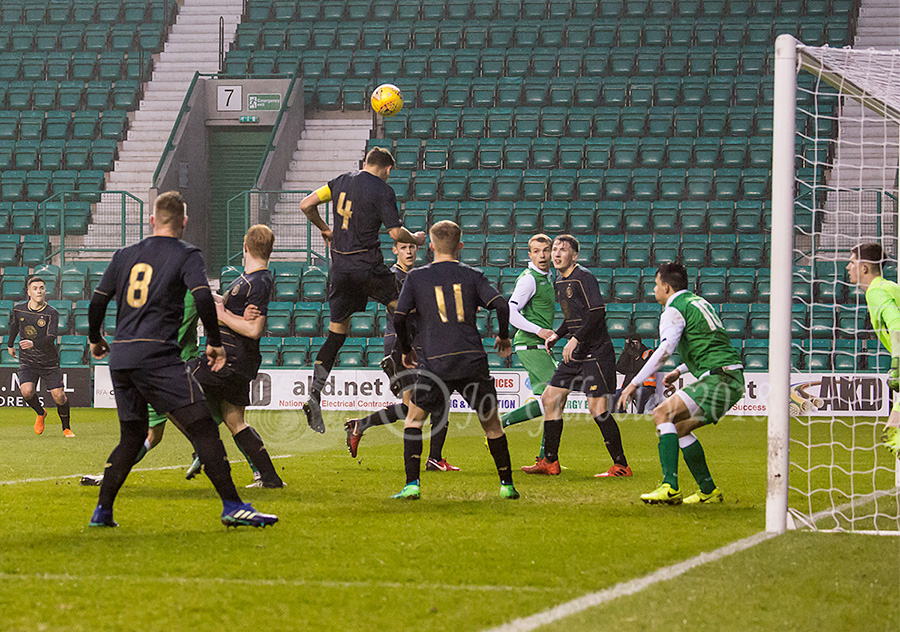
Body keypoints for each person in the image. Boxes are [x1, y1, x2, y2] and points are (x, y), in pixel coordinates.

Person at [86, 190, 277, 528]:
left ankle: (103, 513)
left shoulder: (124, 254)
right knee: (204, 427)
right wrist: (214, 342)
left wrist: (95, 338)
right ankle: (233, 506)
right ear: (184, 222)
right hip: (158, 356)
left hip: (122, 356)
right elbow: (202, 297)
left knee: (132, 437)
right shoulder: (186, 254)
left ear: (152, 220)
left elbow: (98, 300)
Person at [298, 147, 426, 434]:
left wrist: (325, 229)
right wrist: (416, 238)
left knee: (336, 335)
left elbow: (306, 204)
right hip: (368, 267)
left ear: (365, 162)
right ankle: (394, 361)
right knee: (406, 310)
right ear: (387, 169)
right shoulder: (382, 189)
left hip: (340, 270)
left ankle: (314, 394)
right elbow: (395, 233)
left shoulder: (339, 182)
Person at [391, 220, 518, 500]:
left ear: (431, 246)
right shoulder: (473, 275)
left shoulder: (416, 277)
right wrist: (504, 337)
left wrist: (406, 348)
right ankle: (506, 485)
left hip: (435, 360)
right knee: (492, 425)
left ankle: (412, 484)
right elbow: (501, 304)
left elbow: (399, 317)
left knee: (414, 419)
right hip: (471, 358)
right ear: (460, 246)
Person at [619, 262, 745, 505]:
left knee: (661, 413)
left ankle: (669, 486)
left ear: (666, 287)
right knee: (680, 428)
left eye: (656, 285)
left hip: (719, 379)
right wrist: (680, 370)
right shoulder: (699, 303)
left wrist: (634, 383)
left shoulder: (674, 308)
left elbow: (665, 349)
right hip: (731, 377)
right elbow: (711, 344)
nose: (654, 290)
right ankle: (708, 490)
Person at [343, 239, 457, 471]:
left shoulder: (415, 275)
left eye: (411, 247)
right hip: (402, 346)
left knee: (410, 407)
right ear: (395, 250)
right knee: (438, 399)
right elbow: (404, 311)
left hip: (414, 344)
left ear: (417, 249)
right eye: (403, 247)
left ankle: (360, 425)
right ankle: (434, 459)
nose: (408, 251)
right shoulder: (393, 277)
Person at [523, 235, 631, 478]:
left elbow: (597, 312)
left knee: (597, 408)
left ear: (575, 256)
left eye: (563, 250)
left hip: (595, 352)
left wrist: (575, 339)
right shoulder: (560, 281)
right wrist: (558, 335)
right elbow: (573, 317)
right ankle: (550, 461)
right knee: (550, 398)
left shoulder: (584, 277)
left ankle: (621, 465)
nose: (556, 254)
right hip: (577, 352)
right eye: (555, 249)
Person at [191, 224, 284, 488]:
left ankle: (203, 447)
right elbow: (230, 309)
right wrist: (209, 297)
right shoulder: (248, 280)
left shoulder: (259, 282)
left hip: (229, 361)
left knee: (179, 375)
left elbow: (253, 330)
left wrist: (221, 315)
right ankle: (270, 477)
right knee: (235, 421)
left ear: (245, 247)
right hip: (234, 361)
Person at [500, 234, 557, 461]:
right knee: (555, 397)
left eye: (546, 250)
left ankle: (545, 458)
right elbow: (510, 311)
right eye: (537, 251)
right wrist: (539, 331)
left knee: (550, 402)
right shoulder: (529, 280)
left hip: (538, 345)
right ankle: (500, 423)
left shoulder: (548, 277)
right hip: (530, 344)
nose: (542, 255)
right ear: (530, 254)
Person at [847, 243, 900, 455]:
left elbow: (896, 324)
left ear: (864, 268)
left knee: (893, 436)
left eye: (852, 262)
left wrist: (897, 362)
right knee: (893, 436)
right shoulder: (889, 286)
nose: (848, 267)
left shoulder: (876, 291)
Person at [6, 275, 72, 437]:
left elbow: (51, 337)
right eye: (35, 288)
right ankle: (41, 413)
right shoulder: (19, 309)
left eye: (42, 288)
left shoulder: (51, 313)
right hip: (28, 360)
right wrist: (10, 344)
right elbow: (14, 326)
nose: (39, 291)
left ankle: (66, 428)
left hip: (49, 362)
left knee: (59, 396)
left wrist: (33, 343)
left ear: (45, 291)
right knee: (27, 391)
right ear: (29, 292)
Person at [612, 337, 656, 414]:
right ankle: (622, 414)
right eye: (632, 343)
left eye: (636, 343)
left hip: (646, 386)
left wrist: (636, 356)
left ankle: (639, 414)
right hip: (628, 387)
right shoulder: (629, 354)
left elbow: (644, 368)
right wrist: (626, 353)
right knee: (614, 396)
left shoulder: (648, 353)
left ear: (640, 343)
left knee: (639, 393)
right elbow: (620, 368)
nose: (635, 345)